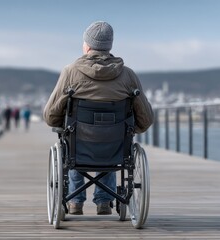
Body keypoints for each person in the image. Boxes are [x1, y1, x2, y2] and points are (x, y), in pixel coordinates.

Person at [43, 21, 153, 215]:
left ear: (87, 45)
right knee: (110, 141)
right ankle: (104, 201)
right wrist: (132, 128)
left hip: (79, 144)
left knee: (73, 138)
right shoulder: (128, 76)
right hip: (115, 145)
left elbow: (50, 116)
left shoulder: (70, 73)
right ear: (109, 46)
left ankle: (75, 201)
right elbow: (146, 118)